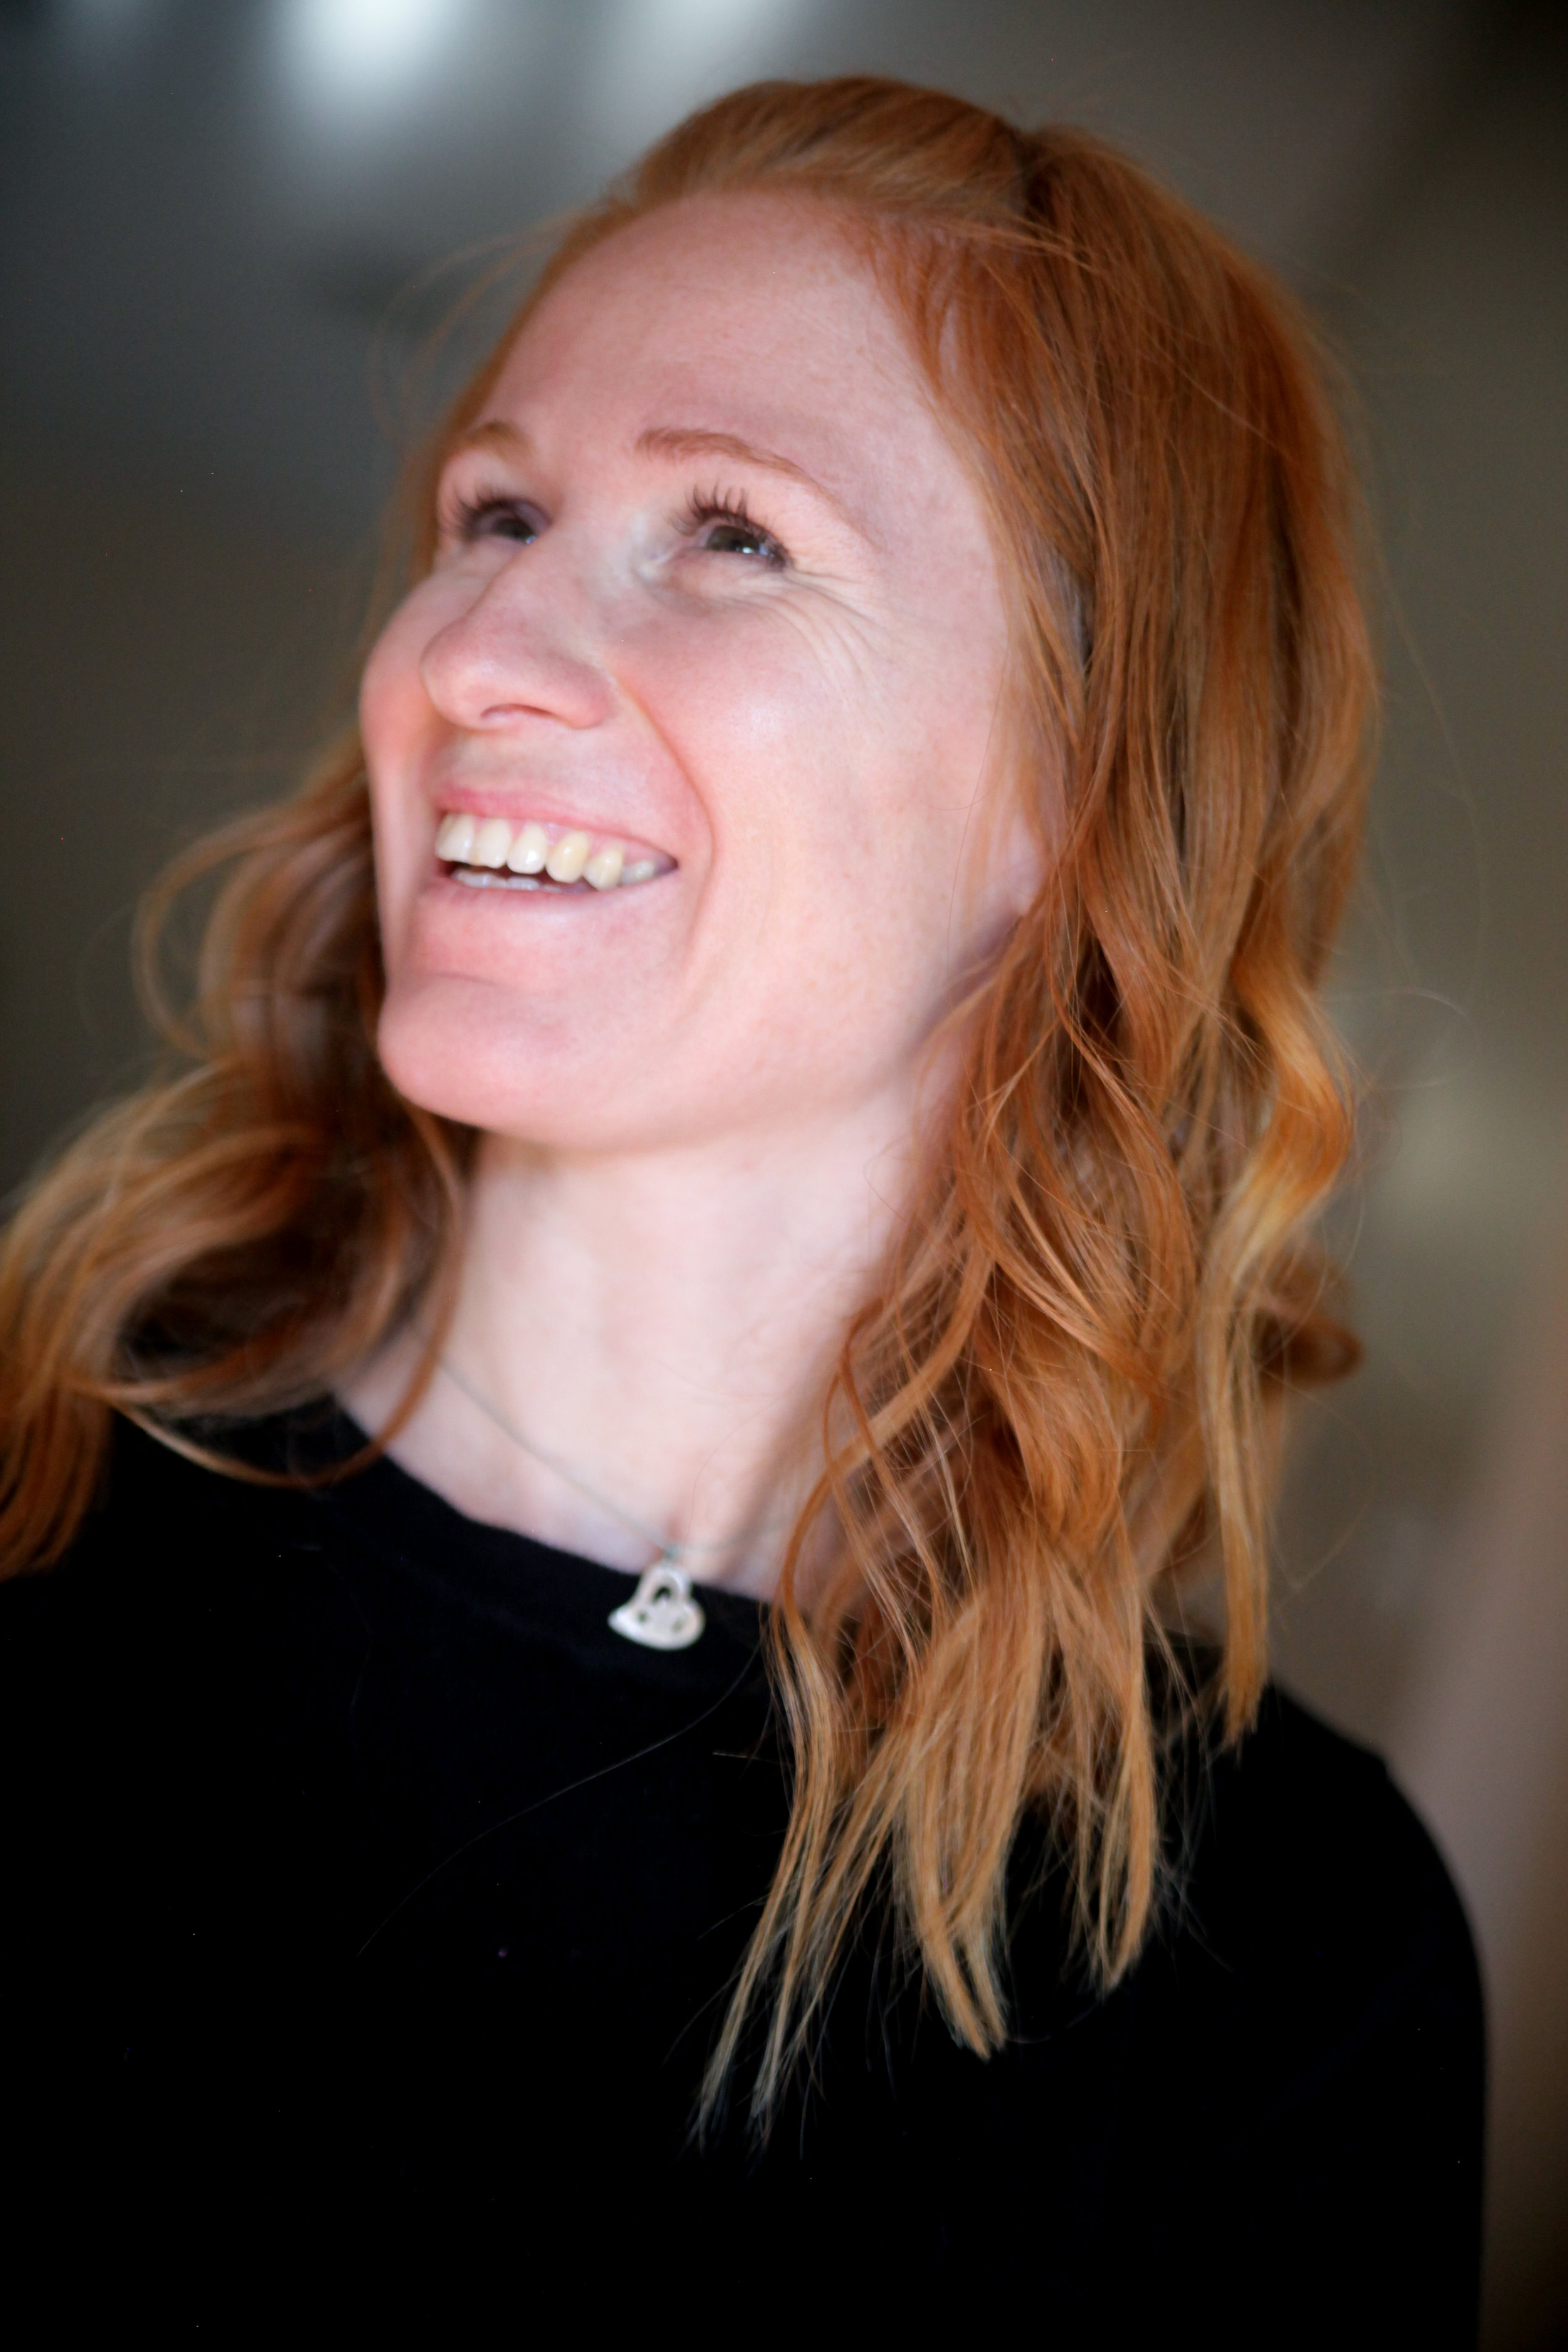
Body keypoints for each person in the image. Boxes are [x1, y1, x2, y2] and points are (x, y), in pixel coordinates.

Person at [0, 78, 1482, 2332]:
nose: (470, 654)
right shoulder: (29, 1513)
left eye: (732, 536)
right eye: (492, 511)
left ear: (1079, 797)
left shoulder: (1283, 1957)